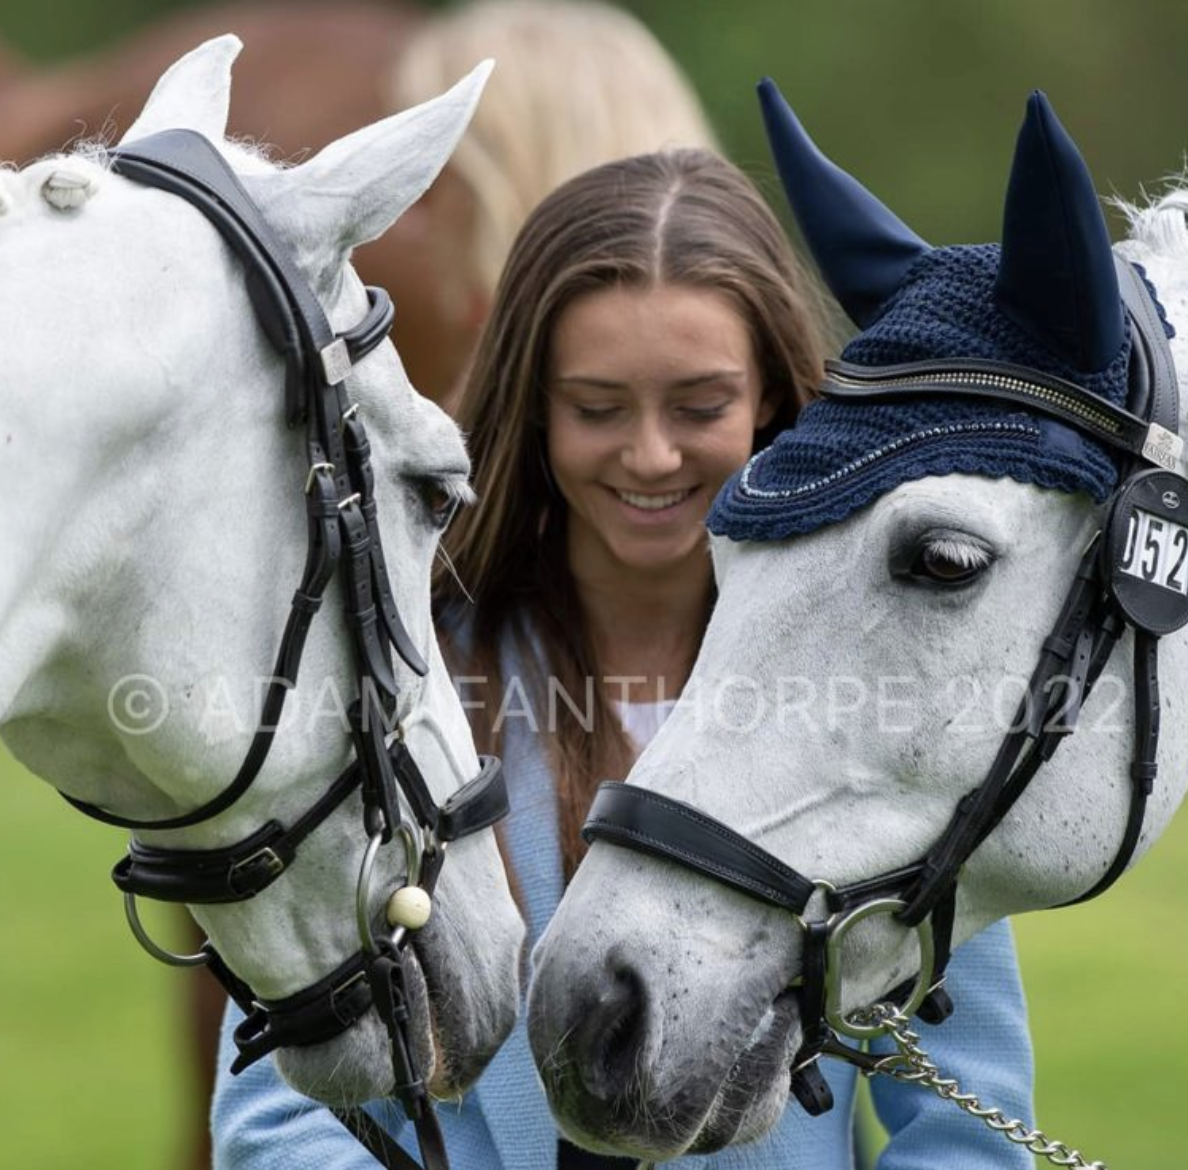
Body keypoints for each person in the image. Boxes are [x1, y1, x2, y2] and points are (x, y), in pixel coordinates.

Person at [211, 148, 1036, 1170]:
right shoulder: (403, 684)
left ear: (773, 399)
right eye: (598, 409)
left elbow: (966, 1127)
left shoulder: (879, 695)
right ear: (536, 410)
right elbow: (271, 1120)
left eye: (698, 407)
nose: (650, 455)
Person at [366, 0, 716, 410]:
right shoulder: (746, 368)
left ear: (505, 183)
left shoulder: (508, 426)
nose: (409, 217)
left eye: (429, 179)